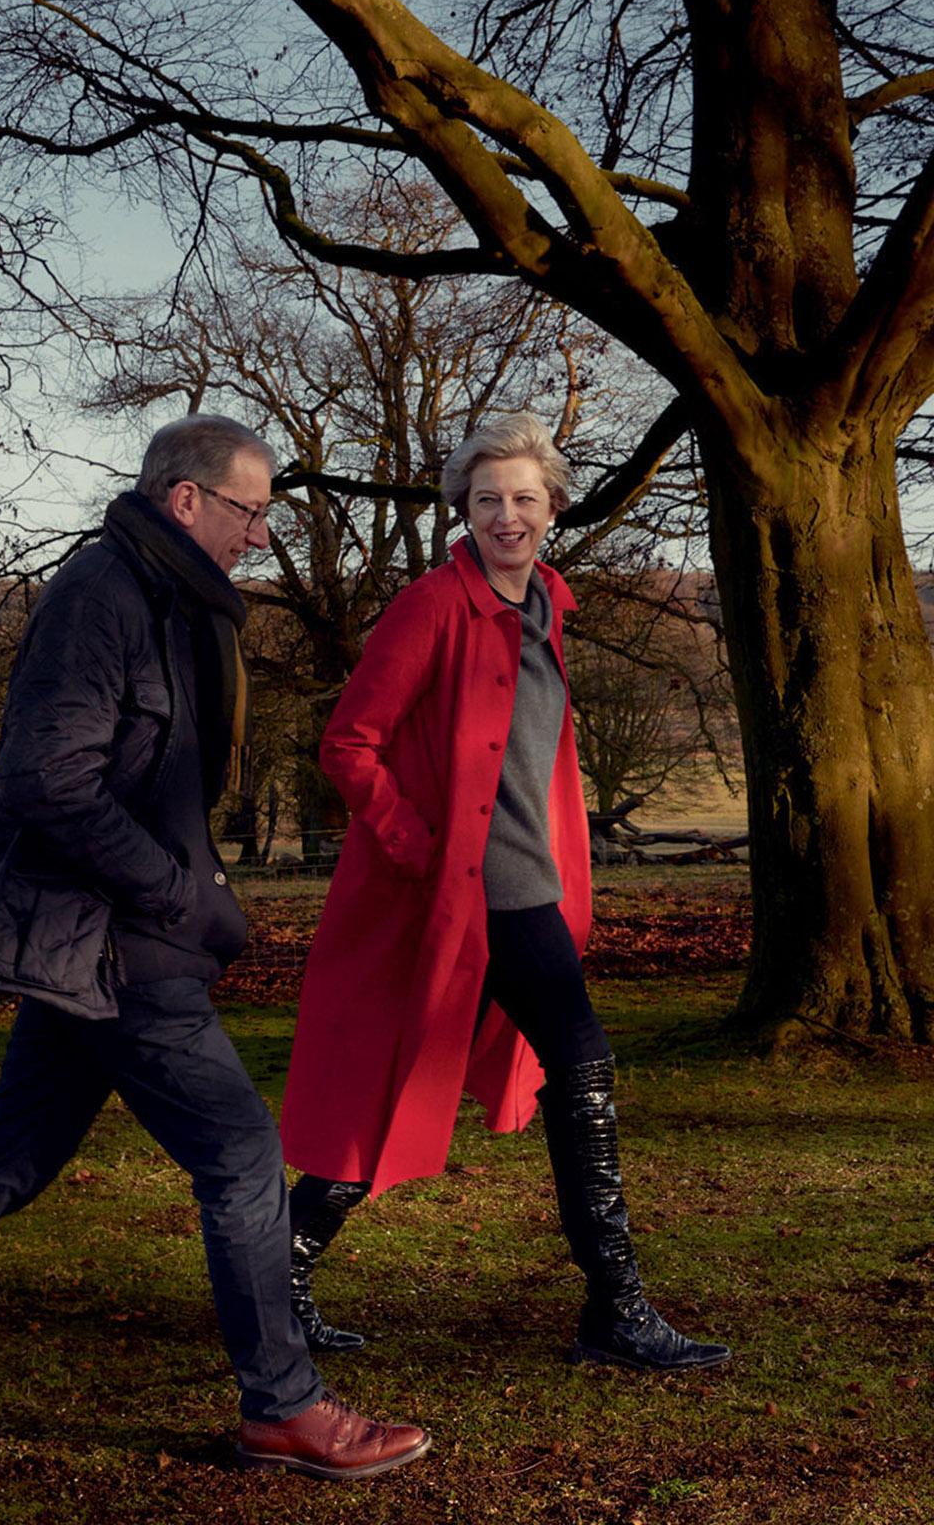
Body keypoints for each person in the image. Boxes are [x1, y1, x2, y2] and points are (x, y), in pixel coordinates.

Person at [0, 415, 432, 1485]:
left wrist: (204, 892)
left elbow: (151, 785)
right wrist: (173, 896)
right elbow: (45, 782)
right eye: (249, 510)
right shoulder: (99, 598)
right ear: (184, 500)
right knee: (241, 1152)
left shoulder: (170, 603)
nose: (260, 536)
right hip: (110, 946)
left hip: (112, 941)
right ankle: (284, 1409)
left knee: (0, 1169)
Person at [279, 412, 730, 1373]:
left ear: (554, 507)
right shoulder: (432, 606)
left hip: (529, 890)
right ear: (465, 510)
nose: (507, 515)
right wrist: (421, 847)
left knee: (419, 1080)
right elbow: (347, 745)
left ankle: (273, 1273)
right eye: (488, 500)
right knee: (582, 1071)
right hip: (465, 896)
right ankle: (616, 1311)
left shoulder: (547, 608)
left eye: (525, 498)